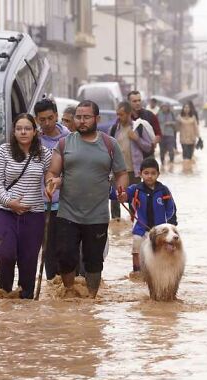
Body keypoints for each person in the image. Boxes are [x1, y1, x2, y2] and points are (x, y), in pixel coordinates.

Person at [45, 100, 129, 298]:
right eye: (78, 117)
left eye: (86, 117)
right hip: (68, 212)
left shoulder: (110, 144)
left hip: (97, 215)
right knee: (65, 256)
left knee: (93, 261)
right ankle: (69, 293)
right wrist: (52, 182)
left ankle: (92, 299)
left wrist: (122, 189)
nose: (81, 121)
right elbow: (52, 171)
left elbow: (121, 172)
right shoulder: (64, 143)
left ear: (96, 119)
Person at [0, 113, 53, 299]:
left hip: (34, 215)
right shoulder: (4, 151)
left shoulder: (44, 153)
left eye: (27, 129)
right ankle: (4, 294)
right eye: (19, 129)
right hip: (5, 212)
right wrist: (9, 202)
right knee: (6, 254)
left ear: (35, 132)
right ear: (14, 131)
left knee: (29, 261)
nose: (23, 132)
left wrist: (50, 184)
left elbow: (52, 174)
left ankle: (25, 301)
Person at [34, 98, 70, 280]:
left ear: (56, 115)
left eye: (50, 118)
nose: (47, 123)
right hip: (42, 205)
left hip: (66, 204)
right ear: (36, 120)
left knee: (66, 250)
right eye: (42, 120)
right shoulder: (33, 141)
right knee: (47, 251)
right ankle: (52, 288)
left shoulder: (69, 139)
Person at [125, 157, 177, 274]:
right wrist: (118, 194)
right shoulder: (136, 189)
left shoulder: (164, 191)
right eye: (146, 173)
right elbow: (124, 195)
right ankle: (137, 272)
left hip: (159, 230)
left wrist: (169, 225)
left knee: (161, 252)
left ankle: (161, 273)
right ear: (140, 174)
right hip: (140, 229)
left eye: (153, 173)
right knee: (136, 249)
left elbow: (171, 210)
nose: (150, 176)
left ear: (158, 174)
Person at [109, 100, 152, 219]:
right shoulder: (113, 129)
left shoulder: (138, 127)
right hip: (118, 171)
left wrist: (137, 138)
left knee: (134, 201)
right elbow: (108, 149)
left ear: (129, 114)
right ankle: (116, 228)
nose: (118, 117)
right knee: (115, 201)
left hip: (134, 171)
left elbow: (148, 147)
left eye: (121, 114)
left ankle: (134, 226)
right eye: (117, 114)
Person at [127, 90, 161, 155]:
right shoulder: (125, 118)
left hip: (147, 155)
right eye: (134, 101)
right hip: (131, 155)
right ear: (129, 102)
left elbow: (158, 134)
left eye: (139, 100)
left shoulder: (150, 116)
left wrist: (153, 143)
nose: (138, 103)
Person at [178, 101, 200, 171]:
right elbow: (177, 128)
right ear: (183, 109)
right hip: (183, 139)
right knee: (185, 156)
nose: (186, 109)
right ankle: (185, 171)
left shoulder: (193, 117)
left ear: (190, 109)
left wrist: (199, 137)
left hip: (192, 139)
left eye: (188, 108)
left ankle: (189, 171)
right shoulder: (179, 117)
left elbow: (196, 128)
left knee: (190, 157)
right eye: (185, 107)